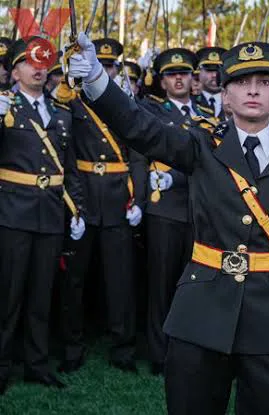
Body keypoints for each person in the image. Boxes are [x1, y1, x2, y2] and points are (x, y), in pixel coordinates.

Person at [69, 36, 269, 414]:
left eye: (265, 82)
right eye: (241, 82)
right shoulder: (201, 145)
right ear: (226, 96)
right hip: (201, 311)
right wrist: (96, 80)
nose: (253, 90)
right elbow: (140, 127)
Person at [57, 37, 147, 375]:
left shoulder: (123, 103)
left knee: (120, 281)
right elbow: (65, 153)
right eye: (101, 65)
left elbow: (138, 155)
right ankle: (71, 346)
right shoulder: (72, 101)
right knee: (74, 280)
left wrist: (139, 199)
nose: (105, 71)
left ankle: (123, 348)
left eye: (110, 66)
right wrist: (73, 204)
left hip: (118, 200)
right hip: (83, 196)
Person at [0, 37, 86, 394]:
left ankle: (37, 364)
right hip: (12, 212)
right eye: (29, 62)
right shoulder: (6, 106)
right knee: (8, 296)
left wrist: (77, 208)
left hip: (50, 212)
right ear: (14, 70)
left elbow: (69, 166)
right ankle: (2, 366)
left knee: (41, 294)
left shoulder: (60, 110)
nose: (38, 69)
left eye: (43, 63)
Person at [140, 48, 212, 376]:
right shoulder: (153, 110)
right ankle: (159, 352)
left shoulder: (207, 113)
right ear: (162, 81)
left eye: (184, 73)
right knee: (160, 284)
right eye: (171, 74)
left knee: (193, 285)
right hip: (165, 207)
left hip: (198, 207)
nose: (179, 79)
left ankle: (188, 349)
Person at [194, 46, 226, 120]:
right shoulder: (189, 102)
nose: (214, 75)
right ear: (199, 72)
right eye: (209, 70)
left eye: (219, 71)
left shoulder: (235, 102)